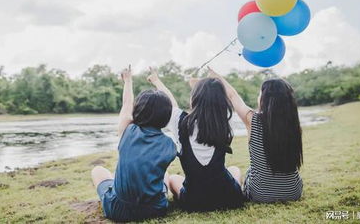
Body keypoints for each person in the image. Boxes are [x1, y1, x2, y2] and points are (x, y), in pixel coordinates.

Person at [148, 68, 245, 212]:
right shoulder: (225, 122)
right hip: (229, 198)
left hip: (194, 202)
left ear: (194, 98)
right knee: (235, 170)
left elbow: (170, 103)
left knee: (174, 178)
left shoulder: (181, 123)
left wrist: (156, 81)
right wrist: (215, 79)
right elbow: (230, 95)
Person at [90, 65, 177, 222]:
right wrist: (157, 82)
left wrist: (128, 80)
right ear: (167, 115)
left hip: (118, 210)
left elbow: (126, 105)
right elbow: (173, 108)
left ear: (139, 110)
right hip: (155, 209)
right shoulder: (170, 145)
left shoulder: (127, 130)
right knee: (165, 174)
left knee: (98, 170)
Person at [208, 67, 303, 203]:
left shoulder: (253, 120)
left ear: (266, 99)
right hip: (293, 192)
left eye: (260, 94)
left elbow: (232, 95)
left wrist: (217, 76)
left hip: (260, 194)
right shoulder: (294, 126)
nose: (258, 97)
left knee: (238, 172)